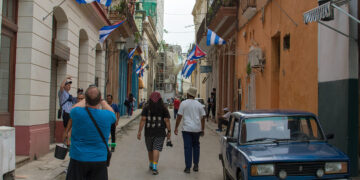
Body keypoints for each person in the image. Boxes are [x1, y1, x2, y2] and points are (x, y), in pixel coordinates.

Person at [65, 86, 116, 180]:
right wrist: (103, 101)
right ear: (99, 99)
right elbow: (113, 114)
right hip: (99, 160)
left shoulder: (77, 112)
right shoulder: (107, 116)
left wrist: (86, 99)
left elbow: (73, 108)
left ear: (86, 99)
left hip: (78, 158)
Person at [137, 92, 171, 175]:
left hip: (148, 132)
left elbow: (143, 119)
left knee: (150, 149)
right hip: (160, 132)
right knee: (156, 148)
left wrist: (139, 131)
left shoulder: (146, 107)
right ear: (160, 99)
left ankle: (151, 164)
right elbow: (167, 120)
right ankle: (155, 167)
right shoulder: (164, 108)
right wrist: (169, 131)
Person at [174, 87, 206, 173]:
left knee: (188, 148)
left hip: (187, 129)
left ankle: (188, 167)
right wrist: (203, 129)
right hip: (197, 129)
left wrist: (176, 127)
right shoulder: (199, 105)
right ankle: (196, 165)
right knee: (196, 147)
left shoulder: (183, 103)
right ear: (194, 95)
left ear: (188, 94)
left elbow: (179, 116)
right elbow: (203, 117)